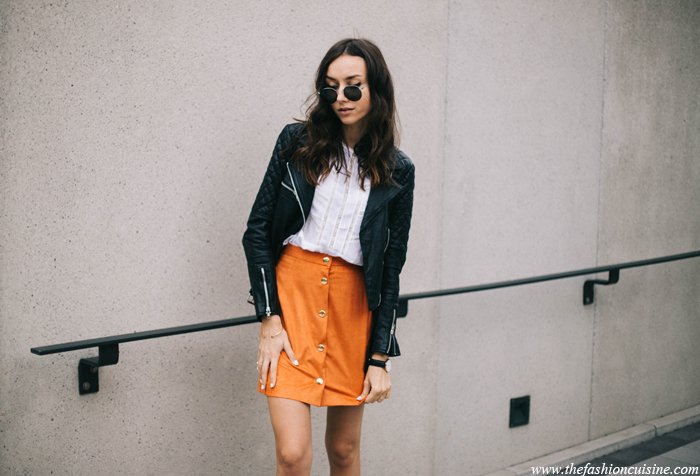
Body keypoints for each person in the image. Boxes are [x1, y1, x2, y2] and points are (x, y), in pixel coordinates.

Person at [242, 38, 414, 475]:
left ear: (376, 90)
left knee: (343, 450)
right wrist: (269, 320)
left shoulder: (398, 170)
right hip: (292, 302)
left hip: (351, 310)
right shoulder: (296, 141)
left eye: (353, 87)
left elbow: (390, 268)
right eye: (330, 88)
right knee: (293, 454)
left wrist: (380, 358)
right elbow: (257, 231)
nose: (341, 98)